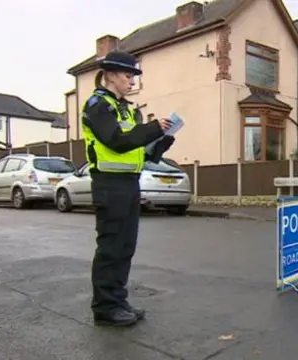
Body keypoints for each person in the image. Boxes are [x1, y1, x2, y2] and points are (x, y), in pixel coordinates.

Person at [81, 50, 174, 327]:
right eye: (127, 75)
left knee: (125, 247)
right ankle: (105, 308)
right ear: (109, 75)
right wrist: (152, 129)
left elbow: (138, 152)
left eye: (133, 75)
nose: (132, 80)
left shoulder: (128, 108)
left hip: (129, 184)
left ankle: (118, 301)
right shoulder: (98, 105)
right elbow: (116, 141)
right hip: (109, 185)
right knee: (111, 248)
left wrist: (161, 140)